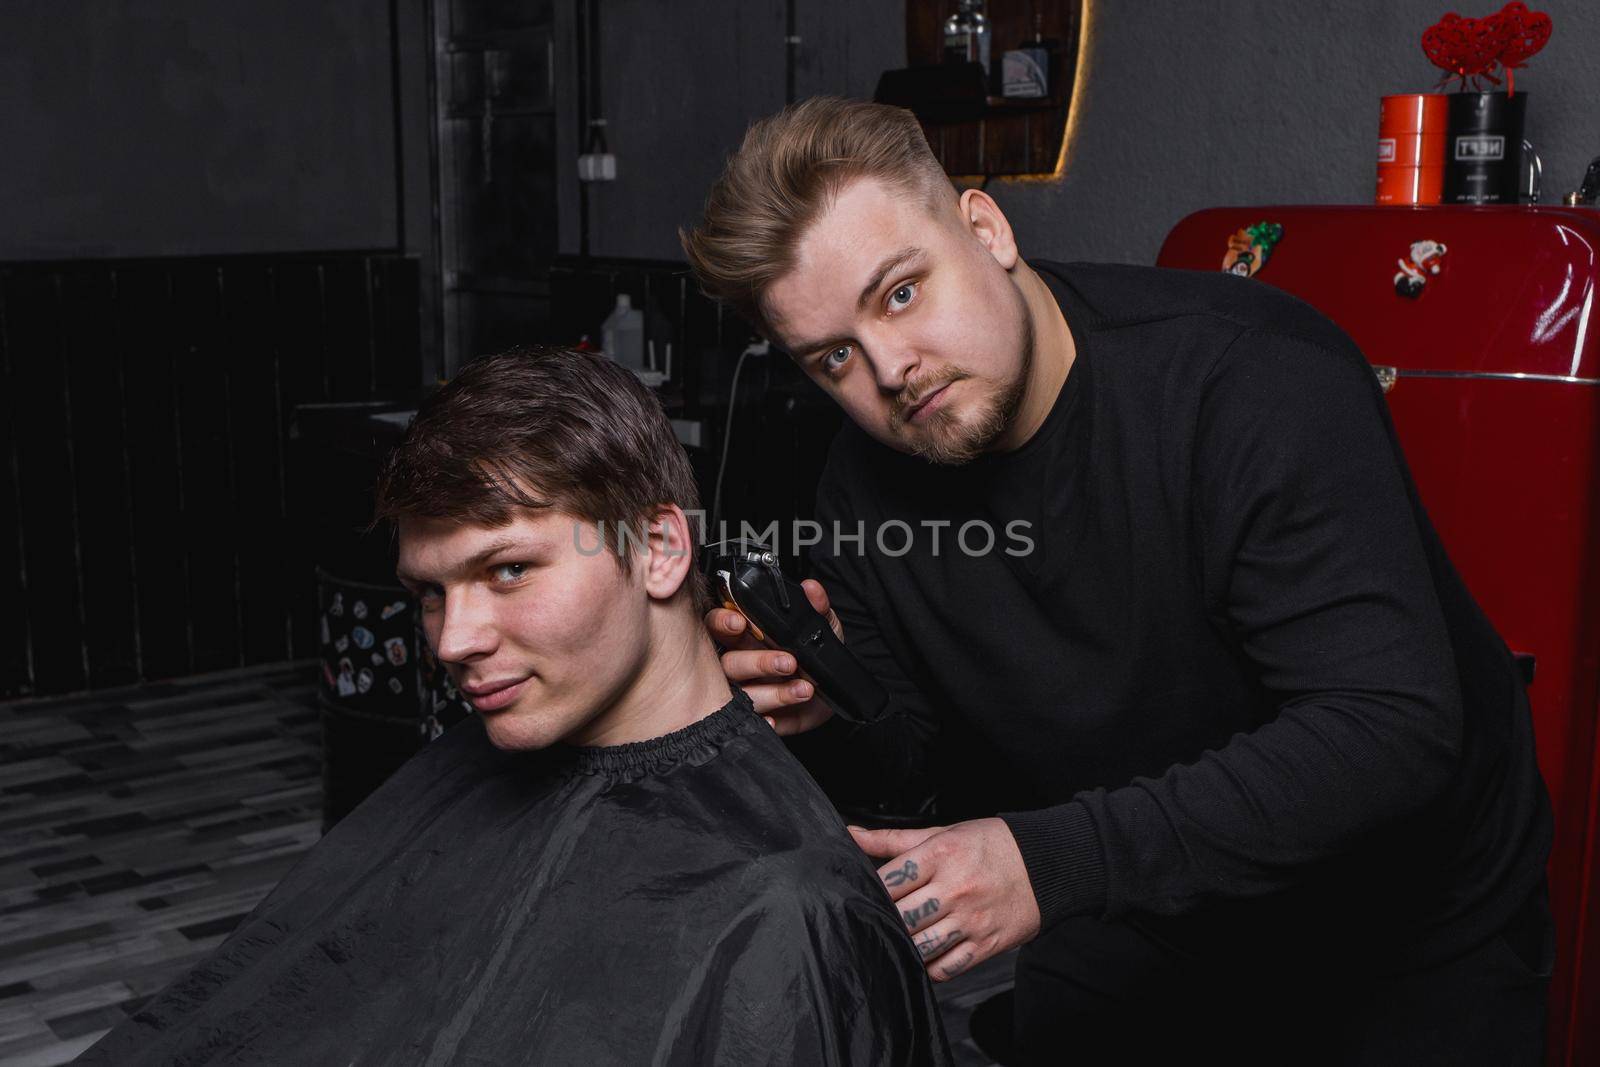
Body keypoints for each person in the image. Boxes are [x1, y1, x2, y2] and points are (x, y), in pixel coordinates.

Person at [682, 97, 1554, 1064]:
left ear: (985, 228)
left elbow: (1388, 728)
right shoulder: (858, 486)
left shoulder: (1249, 381)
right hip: (1143, 912)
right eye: (833, 356)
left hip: (1402, 936)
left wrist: (1052, 862)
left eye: (900, 293)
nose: (889, 369)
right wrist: (837, 702)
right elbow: (919, 773)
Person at [75, 347, 952, 1066]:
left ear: (658, 548)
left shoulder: (788, 907)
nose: (453, 639)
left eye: (506, 571)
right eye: (428, 590)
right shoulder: (474, 771)